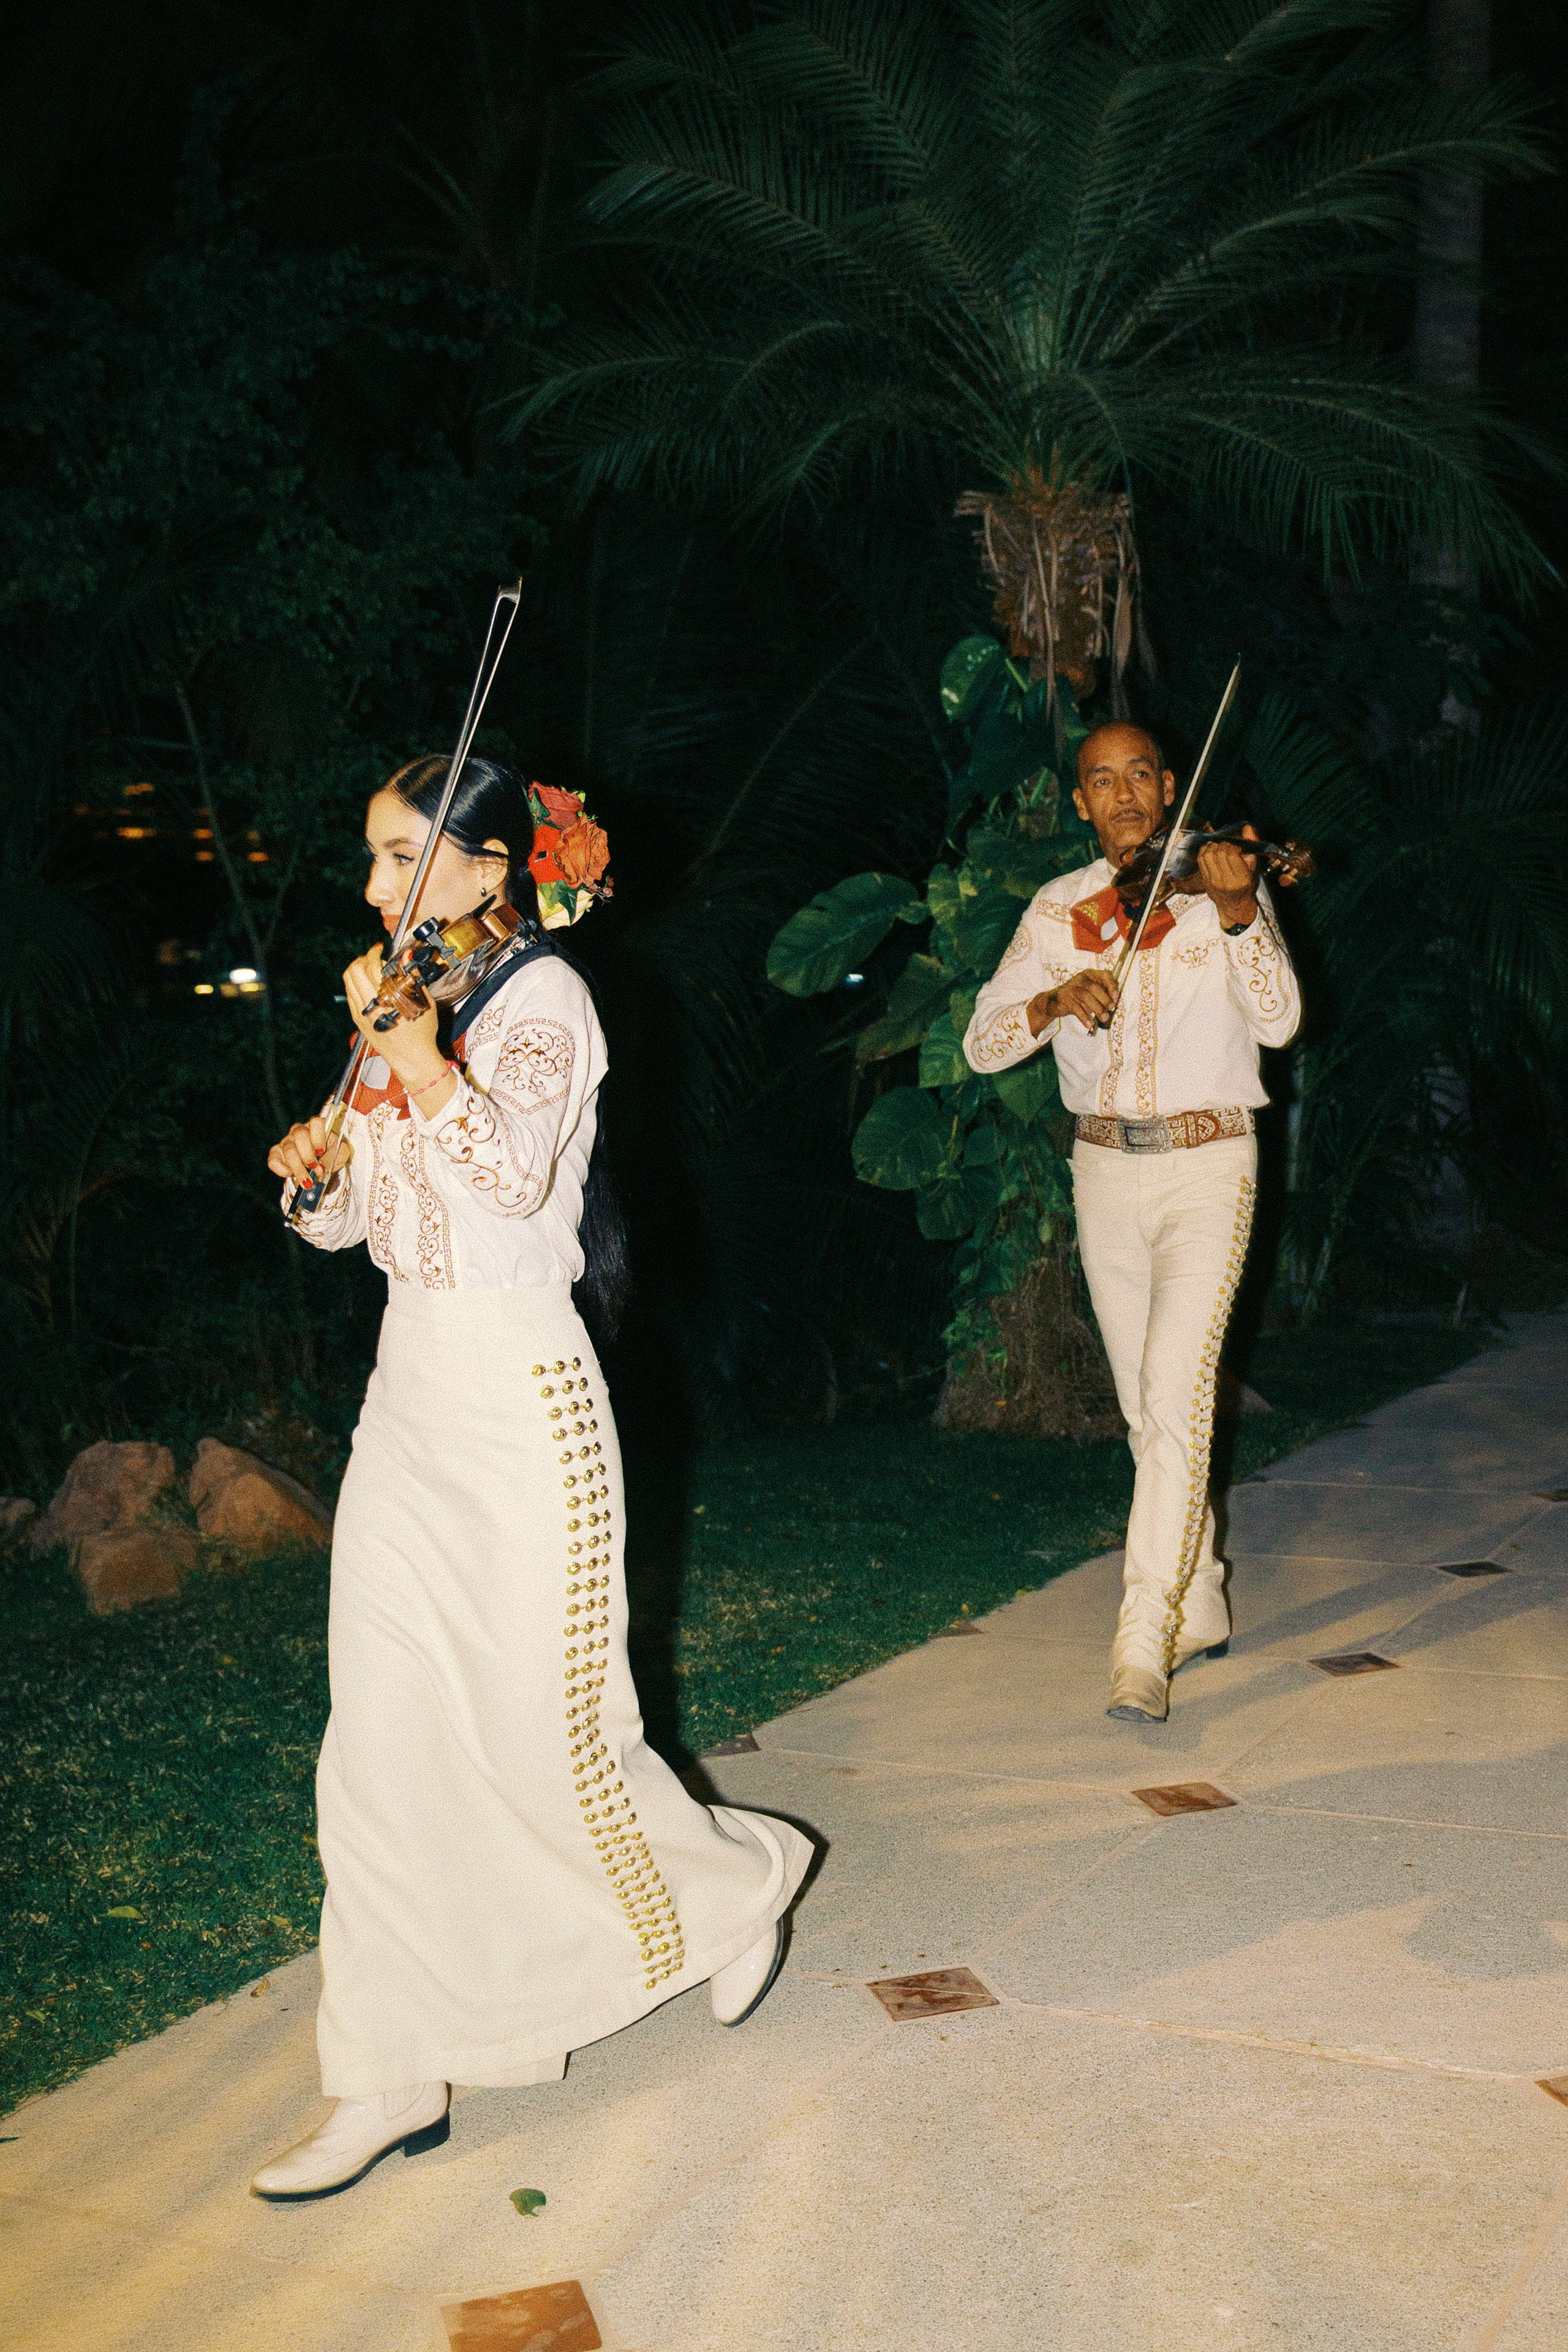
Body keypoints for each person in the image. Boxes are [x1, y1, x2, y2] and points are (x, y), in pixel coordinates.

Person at [253, 754, 810, 2200]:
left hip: (522, 1401)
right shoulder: (406, 1007)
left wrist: (419, 1062)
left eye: (402, 856)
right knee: (374, 1745)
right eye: (373, 859)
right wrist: (321, 1175)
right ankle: (385, 2074)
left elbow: (508, 1184)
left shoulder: (544, 1000)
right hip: (407, 1405)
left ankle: (736, 1889)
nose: (375, 887)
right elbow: (372, 1215)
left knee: (555, 1736)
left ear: (492, 867)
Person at [963, 723, 1301, 1723]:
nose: (1123, 795)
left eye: (1140, 775)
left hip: (1210, 1166)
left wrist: (1239, 911)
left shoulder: (1222, 883)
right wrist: (1053, 1000)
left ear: (1168, 786)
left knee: (1175, 1390)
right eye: (1101, 780)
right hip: (1105, 1170)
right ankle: (1204, 1597)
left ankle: (1143, 1631)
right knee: (1148, 1411)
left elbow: (1280, 1021)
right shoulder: (1060, 908)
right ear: (1081, 802)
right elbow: (983, 1044)